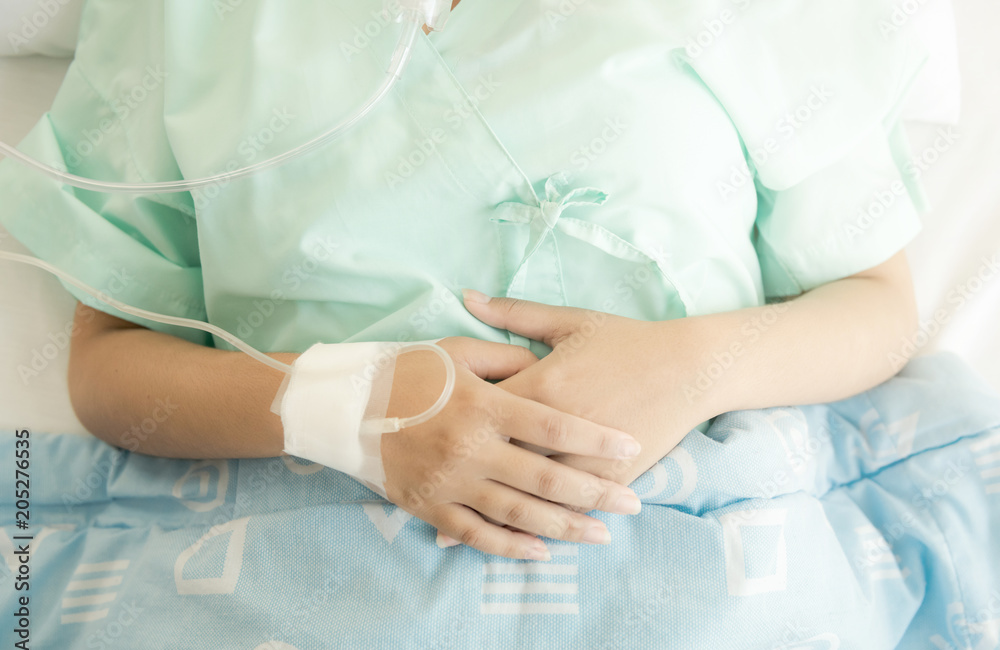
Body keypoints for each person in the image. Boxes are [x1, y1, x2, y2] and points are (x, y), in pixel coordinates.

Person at [0, 0, 926, 563]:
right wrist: (348, 410)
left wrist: (693, 368)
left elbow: (879, 309)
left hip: (700, 538)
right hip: (297, 558)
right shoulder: (179, 23)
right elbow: (112, 368)